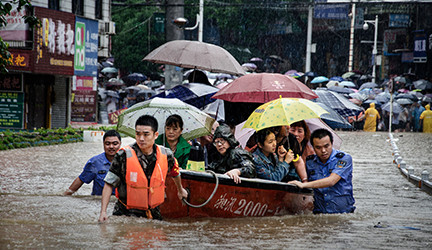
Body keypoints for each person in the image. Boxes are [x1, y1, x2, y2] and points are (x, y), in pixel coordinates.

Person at [98, 115, 188, 222]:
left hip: (153, 212)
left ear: (155, 135)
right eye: (138, 134)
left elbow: (175, 172)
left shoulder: (166, 154)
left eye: (146, 134)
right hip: (126, 213)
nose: (141, 138)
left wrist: (180, 190)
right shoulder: (123, 155)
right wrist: (103, 212)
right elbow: (109, 183)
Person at [289, 128, 355, 214]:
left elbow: (331, 181)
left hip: (343, 214)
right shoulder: (310, 162)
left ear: (332, 144)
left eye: (326, 146)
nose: (323, 151)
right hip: (319, 214)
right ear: (313, 147)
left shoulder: (344, 158)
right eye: (318, 147)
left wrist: (303, 185)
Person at [63, 130, 121, 196]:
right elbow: (81, 179)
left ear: (120, 144)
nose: (111, 147)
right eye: (107, 144)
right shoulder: (95, 162)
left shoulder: (127, 161)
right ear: (103, 144)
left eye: (115, 144)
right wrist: (65, 195)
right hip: (98, 201)